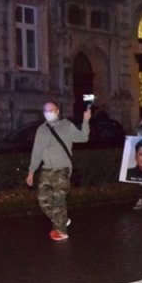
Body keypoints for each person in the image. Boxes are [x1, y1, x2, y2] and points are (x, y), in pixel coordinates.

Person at [26, 101, 90, 241]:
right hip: (46, 169)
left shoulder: (66, 125)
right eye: (45, 110)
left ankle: (61, 231)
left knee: (58, 199)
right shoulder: (41, 129)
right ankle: (62, 219)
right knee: (43, 200)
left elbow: (83, 137)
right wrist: (31, 171)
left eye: (50, 109)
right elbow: (36, 152)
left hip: (62, 168)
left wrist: (86, 121)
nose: (47, 112)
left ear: (57, 111)